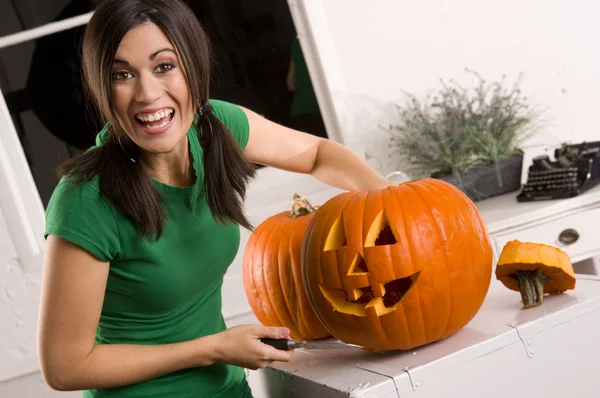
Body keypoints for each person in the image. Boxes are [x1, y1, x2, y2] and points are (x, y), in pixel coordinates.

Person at [37, 1, 395, 397]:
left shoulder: (214, 129)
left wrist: (392, 202)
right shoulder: (86, 199)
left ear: (192, 64)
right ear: (100, 87)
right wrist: (212, 349)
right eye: (122, 75)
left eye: (164, 66)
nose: (147, 93)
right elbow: (65, 367)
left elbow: (316, 155)